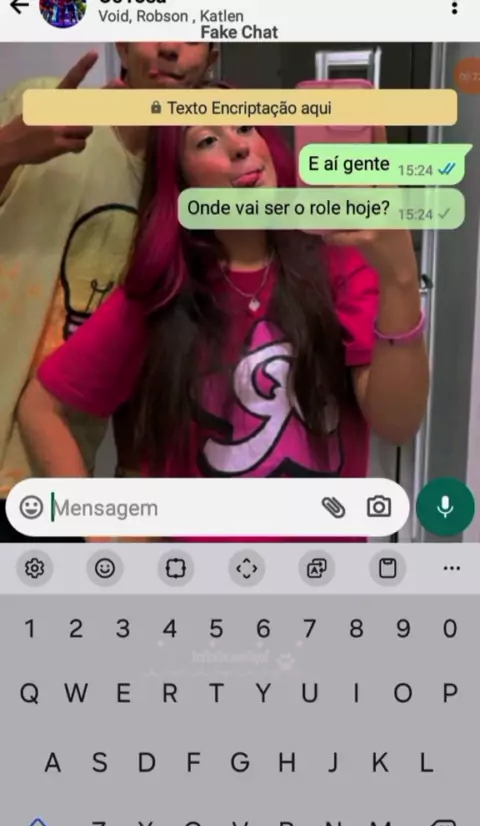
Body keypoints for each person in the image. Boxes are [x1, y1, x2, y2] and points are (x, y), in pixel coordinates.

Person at [18, 113, 430, 542]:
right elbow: (41, 408)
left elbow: (398, 423)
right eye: (207, 140)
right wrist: (97, 534)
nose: (239, 146)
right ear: (181, 183)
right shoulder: (162, 293)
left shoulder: (337, 260)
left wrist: (400, 277)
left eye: (246, 127)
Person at [0, 42, 218, 541]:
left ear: (211, 56)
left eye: (191, 33)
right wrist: (7, 149)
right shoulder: (43, 105)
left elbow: (145, 353)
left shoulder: (185, 191)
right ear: (122, 42)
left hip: (49, 479)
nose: (169, 47)